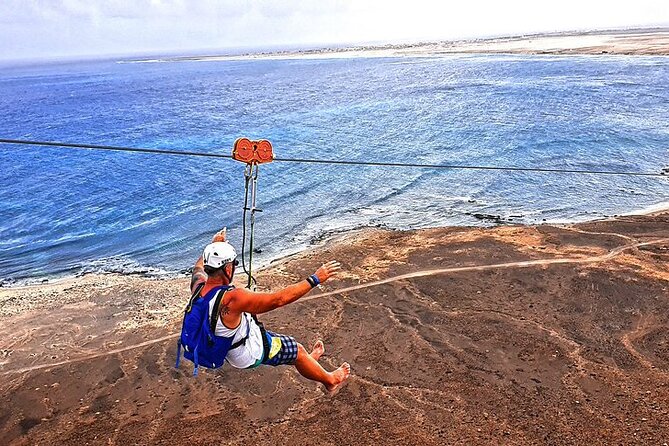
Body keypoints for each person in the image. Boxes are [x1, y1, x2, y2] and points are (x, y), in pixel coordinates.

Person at [189, 228, 351, 393]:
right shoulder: (233, 298)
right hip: (250, 351)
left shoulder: (198, 286)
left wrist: (214, 246)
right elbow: (278, 300)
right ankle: (330, 380)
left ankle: (309, 362)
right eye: (234, 264)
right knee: (297, 351)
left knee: (295, 351)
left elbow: (198, 267)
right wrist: (315, 279)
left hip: (233, 346)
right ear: (228, 269)